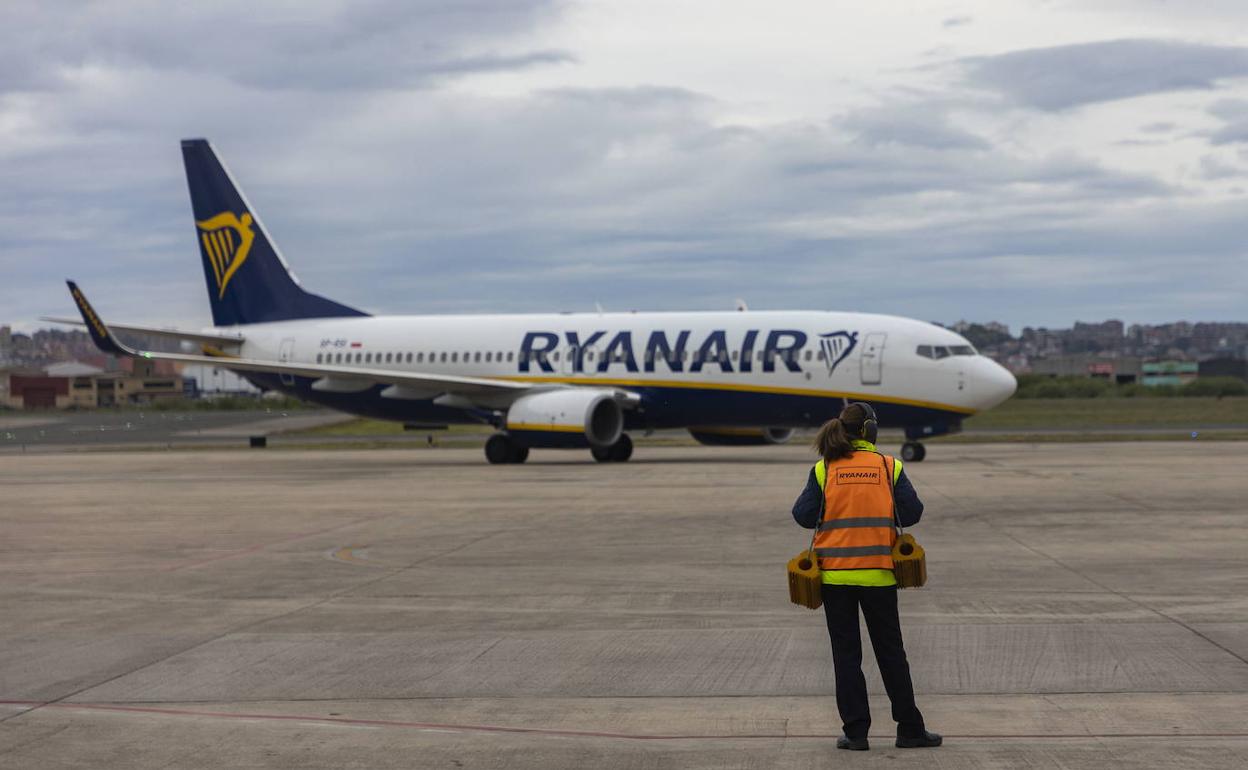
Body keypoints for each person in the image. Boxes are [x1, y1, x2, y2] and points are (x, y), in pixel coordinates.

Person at [791, 402, 942, 751]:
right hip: (879, 577)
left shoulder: (824, 468)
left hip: (835, 580)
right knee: (891, 654)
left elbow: (802, 515)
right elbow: (913, 513)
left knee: (846, 657)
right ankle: (909, 730)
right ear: (869, 431)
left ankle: (856, 733)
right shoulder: (890, 467)